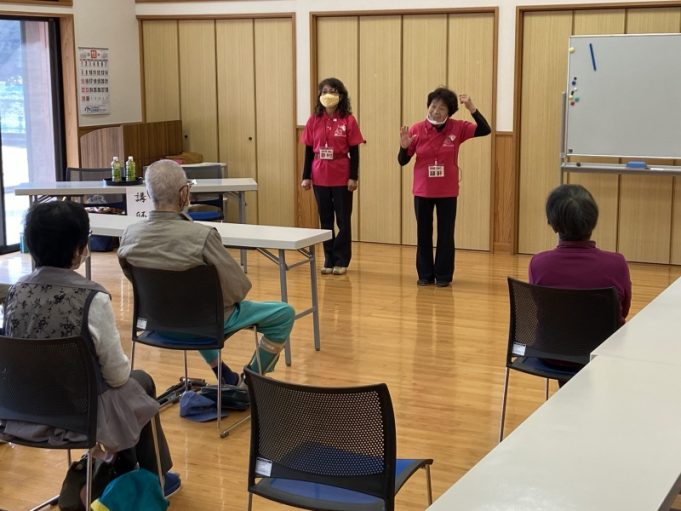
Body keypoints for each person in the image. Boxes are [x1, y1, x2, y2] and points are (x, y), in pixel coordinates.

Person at [1, 201, 180, 497]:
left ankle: (120, 469)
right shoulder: (91, 297)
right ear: (78, 249)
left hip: (22, 412)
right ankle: (155, 477)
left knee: (124, 395)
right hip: (79, 416)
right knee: (141, 382)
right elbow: (117, 376)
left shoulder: (15, 292)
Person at [118, 160, 295, 384]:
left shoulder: (129, 235)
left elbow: (134, 280)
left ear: (147, 193)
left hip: (155, 323)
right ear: (184, 193)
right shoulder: (202, 236)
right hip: (201, 324)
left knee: (197, 304)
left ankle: (224, 375)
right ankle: (251, 383)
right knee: (283, 313)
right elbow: (238, 289)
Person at [398, 87, 491, 287]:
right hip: (423, 190)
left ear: (449, 111)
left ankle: (443, 276)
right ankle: (425, 275)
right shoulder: (416, 129)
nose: (436, 111)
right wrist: (404, 148)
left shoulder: (458, 127)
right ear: (428, 106)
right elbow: (402, 161)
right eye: (433, 106)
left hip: (447, 191)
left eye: (442, 108)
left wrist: (472, 108)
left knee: (446, 234)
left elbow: (485, 129)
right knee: (423, 233)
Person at [529, 183, 631, 325]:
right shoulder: (617, 264)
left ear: (553, 224)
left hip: (552, 339)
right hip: (607, 339)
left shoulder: (538, 264)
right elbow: (622, 311)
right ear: (593, 220)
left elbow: (540, 308)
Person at [301, 77, 364, 276]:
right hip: (319, 174)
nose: (329, 95)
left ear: (341, 96)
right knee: (325, 219)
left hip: (341, 174)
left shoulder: (348, 120)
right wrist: (306, 176)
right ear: (320, 95)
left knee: (343, 220)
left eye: (333, 91)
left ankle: (341, 259)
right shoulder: (314, 120)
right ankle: (328, 258)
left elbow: (354, 151)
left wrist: (353, 177)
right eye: (325, 91)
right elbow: (308, 150)